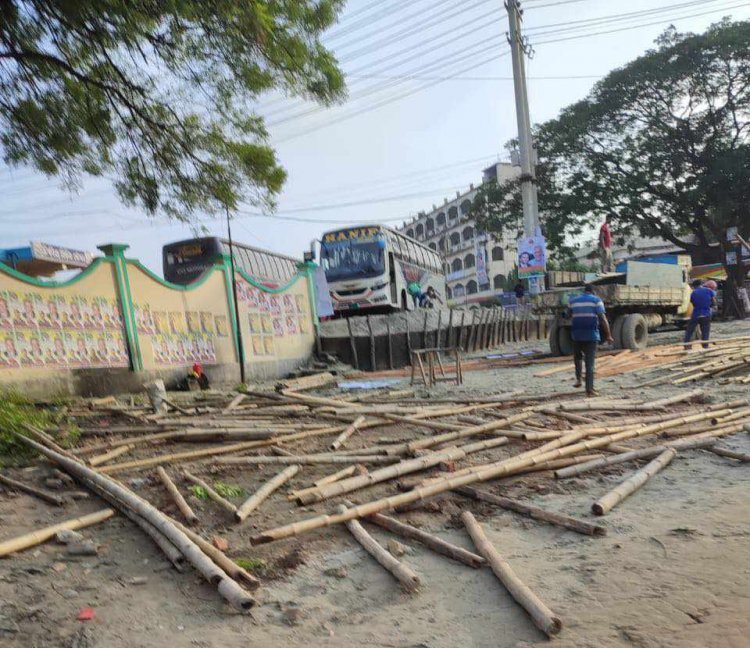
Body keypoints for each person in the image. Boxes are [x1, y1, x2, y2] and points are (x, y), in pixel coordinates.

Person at [569, 284, 614, 396]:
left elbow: (567, 314)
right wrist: (608, 335)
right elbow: (602, 319)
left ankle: (579, 379)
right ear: (593, 292)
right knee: (590, 363)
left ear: (584, 291)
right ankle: (589, 390)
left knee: (578, 358)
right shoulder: (596, 300)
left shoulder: (573, 301)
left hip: (577, 335)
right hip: (591, 336)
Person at [684, 279, 716, 350]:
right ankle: (705, 346)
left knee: (689, 330)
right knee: (705, 330)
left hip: (696, 314)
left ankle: (687, 346)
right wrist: (708, 305)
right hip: (706, 314)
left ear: (694, 286)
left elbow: (693, 302)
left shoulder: (693, 293)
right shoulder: (709, 291)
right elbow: (714, 302)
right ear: (701, 284)